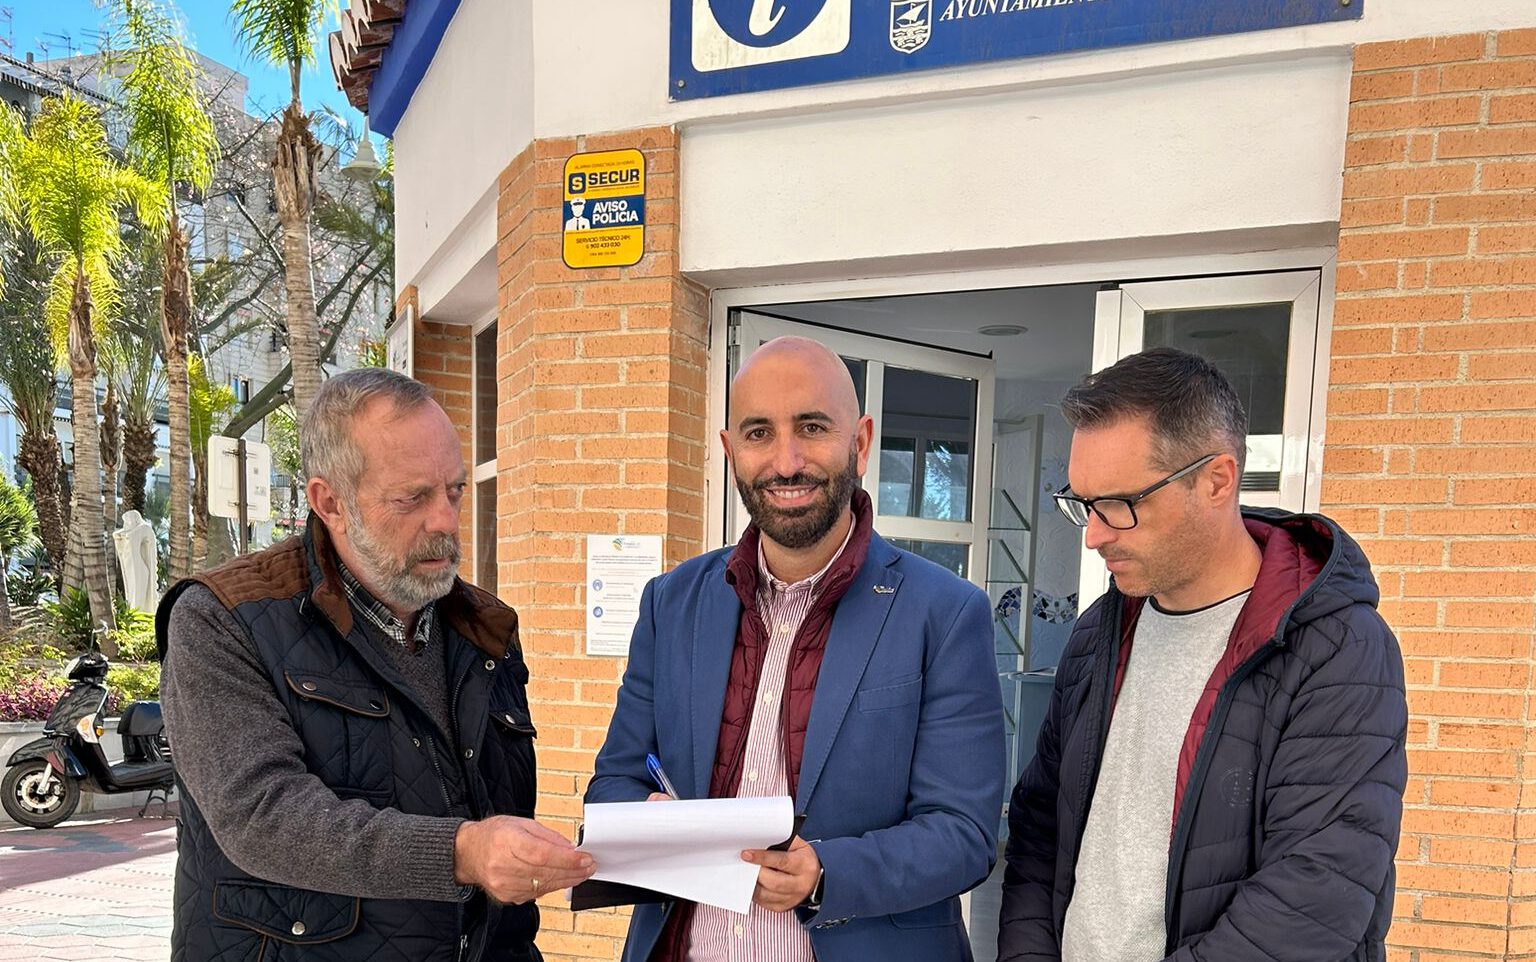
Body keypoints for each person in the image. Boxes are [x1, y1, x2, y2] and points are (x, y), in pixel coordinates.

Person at [588, 336, 1006, 962]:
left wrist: (826, 873)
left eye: (811, 428)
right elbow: (613, 784)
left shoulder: (944, 613)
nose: (786, 462)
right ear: (730, 450)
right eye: (758, 433)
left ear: (860, 443)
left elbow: (964, 833)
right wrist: (650, 818)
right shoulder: (670, 604)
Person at [157, 369, 595, 962]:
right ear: (329, 502)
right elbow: (262, 816)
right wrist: (462, 852)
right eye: (412, 498)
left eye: (455, 491)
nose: (445, 521)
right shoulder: (223, 618)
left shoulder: (485, 629)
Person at [998, 348, 1407, 962]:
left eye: (1121, 504)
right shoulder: (1098, 635)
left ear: (1217, 480)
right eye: (1083, 503)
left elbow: (1315, 896)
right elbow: (1039, 831)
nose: (1095, 534)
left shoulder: (1336, 648)